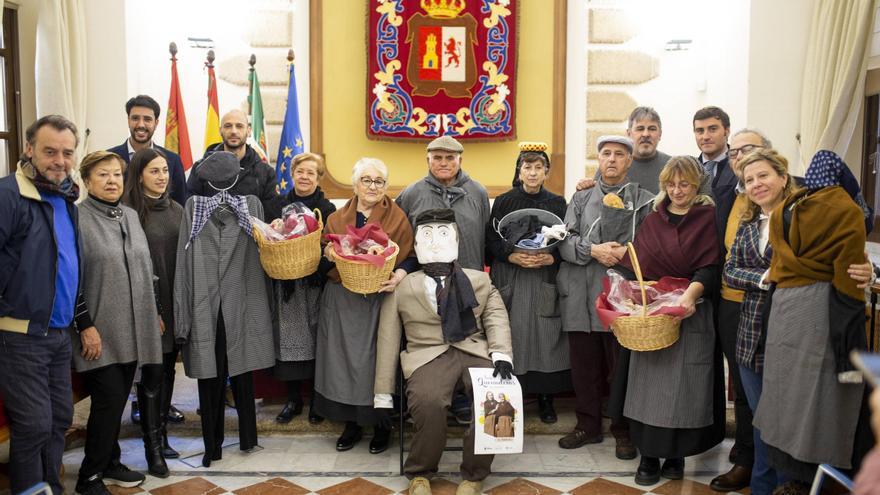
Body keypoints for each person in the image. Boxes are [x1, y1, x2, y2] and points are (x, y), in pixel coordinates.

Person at [373, 208, 513, 495]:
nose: (435, 242)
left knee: (498, 399)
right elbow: (388, 338)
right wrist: (383, 393)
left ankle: (475, 473)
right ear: (416, 243)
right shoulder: (402, 287)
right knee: (428, 401)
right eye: (427, 235)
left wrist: (501, 355)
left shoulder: (479, 281)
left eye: (443, 234)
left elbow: (496, 318)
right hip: (427, 354)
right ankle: (420, 472)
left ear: (457, 240)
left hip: (473, 350)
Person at [754, 150, 872, 491]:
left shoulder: (784, 213)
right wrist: (852, 357)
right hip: (825, 311)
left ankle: (791, 483)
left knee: (786, 398)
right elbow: (848, 282)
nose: (756, 184)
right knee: (829, 399)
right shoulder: (844, 210)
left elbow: (777, 269)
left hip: (782, 313)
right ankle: (820, 483)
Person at [612, 156, 725, 486]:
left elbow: (711, 266)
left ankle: (675, 457)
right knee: (647, 388)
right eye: (671, 185)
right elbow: (637, 262)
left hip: (691, 312)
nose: (677, 191)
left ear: (696, 186)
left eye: (685, 184)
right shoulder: (653, 218)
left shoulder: (708, 218)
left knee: (684, 390)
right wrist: (624, 294)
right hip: (653, 315)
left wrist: (688, 296)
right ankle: (648, 457)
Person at [174, 151, 276, 468]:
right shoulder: (193, 209)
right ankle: (211, 445)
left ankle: (249, 437)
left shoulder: (252, 206)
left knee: (243, 370)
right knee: (210, 374)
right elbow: (182, 262)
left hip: (243, 298)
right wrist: (183, 316)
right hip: (205, 302)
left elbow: (266, 252)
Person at [72, 151, 166, 493]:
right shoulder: (77, 219)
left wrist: (153, 311)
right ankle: (89, 476)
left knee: (118, 400)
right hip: (99, 330)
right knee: (108, 401)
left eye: (117, 175)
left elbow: (146, 271)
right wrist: (85, 325)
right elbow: (70, 278)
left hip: (135, 328)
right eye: (103, 175)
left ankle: (110, 463)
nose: (112, 181)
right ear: (86, 181)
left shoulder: (128, 215)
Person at [557, 136, 654, 458]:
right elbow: (564, 241)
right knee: (583, 367)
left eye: (619, 155)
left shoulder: (645, 200)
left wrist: (627, 251)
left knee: (619, 369)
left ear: (629, 162)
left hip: (619, 299)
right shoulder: (582, 198)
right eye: (606, 154)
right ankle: (587, 425)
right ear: (597, 159)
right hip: (579, 295)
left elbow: (654, 247)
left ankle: (623, 430)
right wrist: (592, 250)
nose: (611, 159)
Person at [0, 115, 81, 495]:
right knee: (32, 424)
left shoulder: (66, 201)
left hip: (59, 336)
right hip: (20, 336)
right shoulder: (8, 195)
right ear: (29, 149)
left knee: (58, 420)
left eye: (67, 153)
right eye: (50, 151)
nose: (59, 161)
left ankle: (51, 488)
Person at [314, 157, 415, 455]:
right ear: (355, 184)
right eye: (366, 180)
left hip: (381, 299)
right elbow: (321, 256)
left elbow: (410, 256)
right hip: (343, 298)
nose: (373, 186)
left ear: (386, 186)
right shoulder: (336, 217)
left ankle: (381, 425)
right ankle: (352, 424)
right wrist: (329, 253)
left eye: (379, 181)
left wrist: (399, 275)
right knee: (344, 362)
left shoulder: (398, 217)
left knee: (378, 362)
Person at [722, 149, 796, 495]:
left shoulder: (802, 219)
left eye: (763, 176)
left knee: (786, 421)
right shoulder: (749, 226)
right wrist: (764, 277)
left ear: (783, 177)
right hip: (751, 336)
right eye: (749, 180)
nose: (756, 184)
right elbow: (730, 269)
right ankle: (763, 486)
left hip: (792, 334)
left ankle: (786, 486)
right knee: (761, 419)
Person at [485, 142, 568, 424]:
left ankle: (546, 399)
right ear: (519, 171)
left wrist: (552, 259)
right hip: (513, 276)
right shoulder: (505, 202)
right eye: (527, 167)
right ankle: (512, 395)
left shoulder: (557, 203)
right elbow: (492, 240)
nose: (532, 173)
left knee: (545, 335)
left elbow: (565, 239)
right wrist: (512, 256)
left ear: (546, 171)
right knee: (514, 332)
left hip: (544, 277)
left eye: (538, 167)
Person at [709, 128, 772, 492]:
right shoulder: (731, 194)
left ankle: (767, 463)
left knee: (766, 391)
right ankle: (748, 457)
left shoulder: (788, 195)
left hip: (776, 310)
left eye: (749, 150)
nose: (739, 156)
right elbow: (728, 259)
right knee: (745, 390)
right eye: (735, 152)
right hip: (732, 306)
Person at [263, 152, 337, 425]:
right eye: (300, 171)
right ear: (292, 174)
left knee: (317, 340)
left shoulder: (327, 209)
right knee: (289, 342)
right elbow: (266, 239)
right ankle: (293, 400)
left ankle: (317, 400)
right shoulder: (276, 205)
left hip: (315, 283)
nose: (305, 177)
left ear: (319, 178)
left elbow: (332, 244)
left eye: (311, 173)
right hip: (286, 284)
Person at [122, 148, 185, 461]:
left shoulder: (177, 210)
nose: (162, 177)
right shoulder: (129, 212)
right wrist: (155, 310)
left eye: (164, 170)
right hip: (148, 307)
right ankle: (153, 447)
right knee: (152, 376)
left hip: (175, 304)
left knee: (168, 372)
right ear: (139, 175)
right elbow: (135, 266)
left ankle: (162, 434)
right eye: (154, 171)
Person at [396, 135, 490, 271]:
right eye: (437, 158)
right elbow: (400, 241)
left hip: (470, 276)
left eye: (450, 158)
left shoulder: (478, 192)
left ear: (460, 160)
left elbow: (487, 238)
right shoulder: (411, 193)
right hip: (423, 281)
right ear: (428, 161)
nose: (443, 163)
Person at [186, 109, 277, 211]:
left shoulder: (266, 173)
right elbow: (191, 210)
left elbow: (270, 217)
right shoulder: (200, 169)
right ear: (220, 130)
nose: (234, 131)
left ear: (248, 131)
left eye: (239, 126)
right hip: (210, 227)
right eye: (228, 126)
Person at [107, 95, 187, 208]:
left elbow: (180, 204)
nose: (140, 124)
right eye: (135, 118)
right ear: (128, 120)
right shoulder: (110, 158)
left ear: (156, 123)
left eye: (147, 119)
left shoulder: (172, 160)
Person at [576, 107, 671, 194]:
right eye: (640, 129)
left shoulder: (671, 166)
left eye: (652, 129)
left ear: (660, 134)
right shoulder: (612, 164)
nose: (646, 134)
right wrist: (584, 190)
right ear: (629, 134)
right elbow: (596, 201)